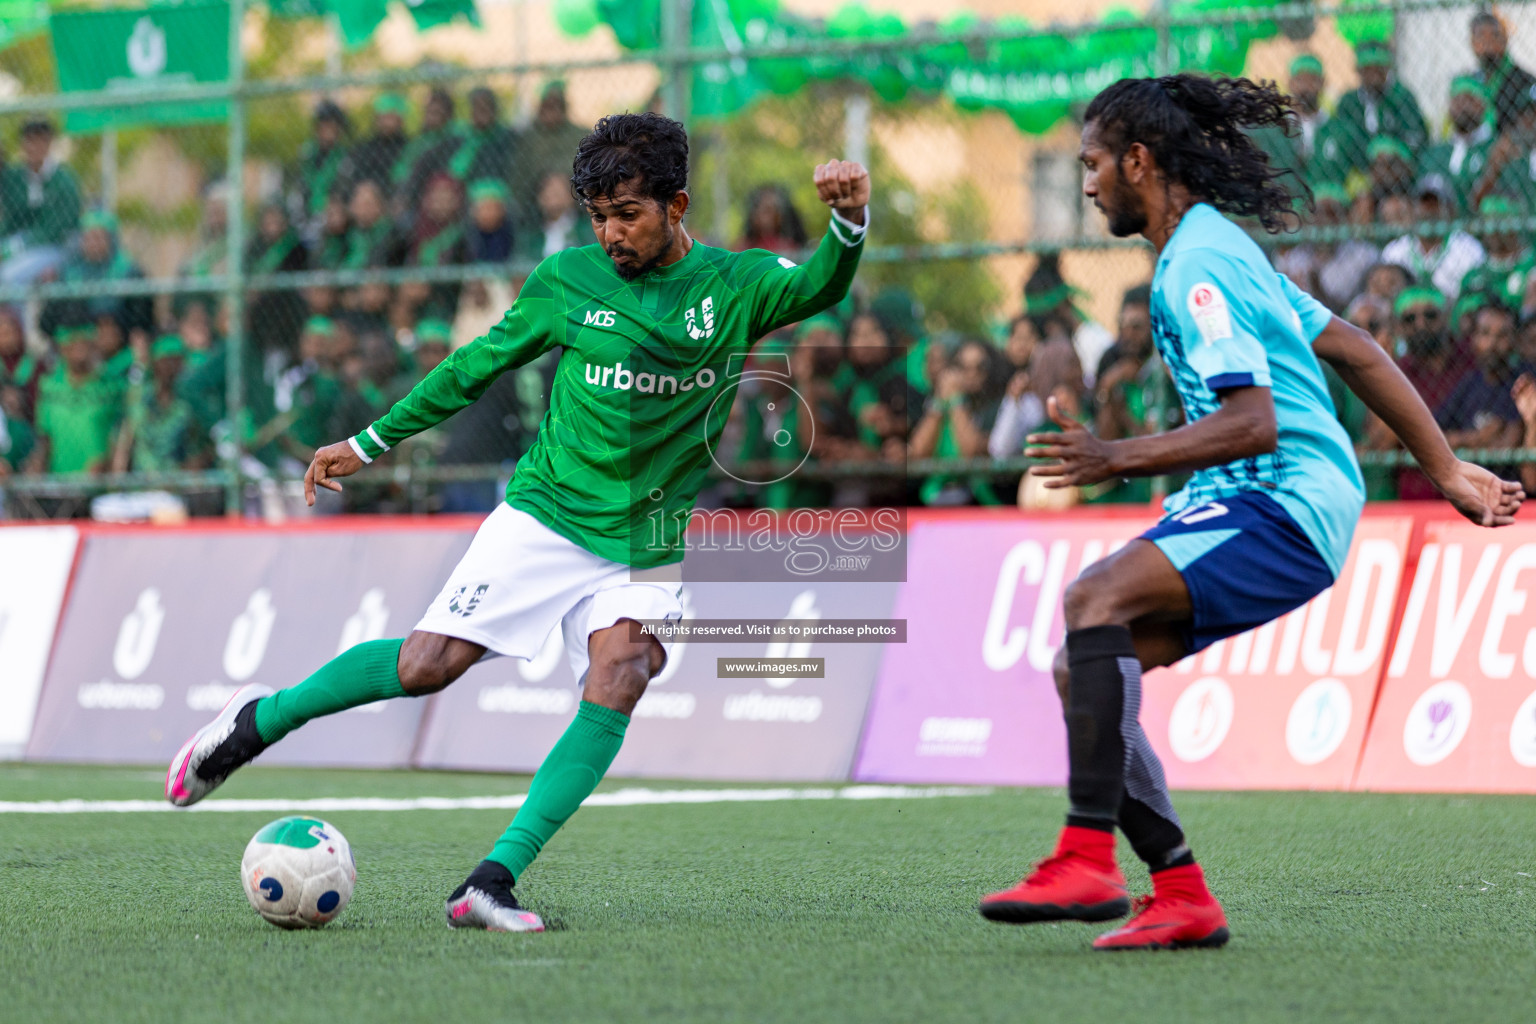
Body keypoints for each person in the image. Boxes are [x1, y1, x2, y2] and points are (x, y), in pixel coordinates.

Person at [164, 113, 871, 932]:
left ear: (677, 206)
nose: (610, 233)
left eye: (628, 215)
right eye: (598, 216)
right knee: (428, 666)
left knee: (623, 673)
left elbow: (822, 281)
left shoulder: (733, 285)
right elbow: (473, 367)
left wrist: (847, 222)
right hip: (547, 515)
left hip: (647, 540)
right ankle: (260, 720)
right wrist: (369, 441)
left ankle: (489, 882)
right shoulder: (566, 280)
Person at [977, 74, 1522, 953]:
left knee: (1090, 601)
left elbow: (1251, 419)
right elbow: (1355, 347)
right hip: (1264, 499)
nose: (1085, 184)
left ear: (1139, 162)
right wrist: (1447, 465)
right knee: (1083, 671)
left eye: (1092, 164)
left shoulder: (1198, 265)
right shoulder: (1216, 247)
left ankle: (1085, 856)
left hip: (1281, 498)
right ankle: (1182, 892)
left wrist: (1117, 456)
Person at [1316, 40, 1428, 188]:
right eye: (1368, 69)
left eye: (1378, 69)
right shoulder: (1348, 103)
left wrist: (1389, 151)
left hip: (1397, 171)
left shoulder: (1402, 97)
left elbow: (1416, 137)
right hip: (1359, 172)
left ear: (1387, 69)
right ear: (1359, 71)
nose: (1373, 75)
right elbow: (1343, 139)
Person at [29, 323, 120, 476]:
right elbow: (45, 434)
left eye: (84, 343)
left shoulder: (109, 386)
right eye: (72, 343)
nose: (79, 349)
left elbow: (119, 431)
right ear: (62, 348)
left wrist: (108, 462)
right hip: (59, 478)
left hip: (97, 479)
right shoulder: (49, 386)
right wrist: (38, 464)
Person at [0, 118, 82, 286]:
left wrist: (18, 246)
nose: (33, 147)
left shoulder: (63, 180)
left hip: (57, 246)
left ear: (49, 143)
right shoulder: (16, 177)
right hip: (23, 242)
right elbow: (12, 220)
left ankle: (15, 314)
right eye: (29, 140)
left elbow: (56, 230)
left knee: (9, 275)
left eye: (40, 140)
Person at [1380, 175, 1484, 301]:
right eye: (1424, 204)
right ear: (1413, 209)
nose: (1429, 211)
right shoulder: (1395, 250)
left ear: (1451, 210)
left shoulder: (1468, 248)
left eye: (1435, 205)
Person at [1421, 77, 1496, 211]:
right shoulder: (1435, 152)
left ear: (1483, 105)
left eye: (1469, 99)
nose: (1462, 106)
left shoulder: (1494, 147)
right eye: (1457, 100)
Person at [1468, 9, 1536, 134]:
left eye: (1495, 36)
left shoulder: (1525, 80)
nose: (1488, 43)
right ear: (1472, 42)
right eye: (1481, 36)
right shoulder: (1469, 83)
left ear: (1505, 40)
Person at [735, 184, 808, 255]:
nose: (764, 217)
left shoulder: (791, 248)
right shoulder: (743, 248)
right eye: (759, 209)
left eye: (768, 210)